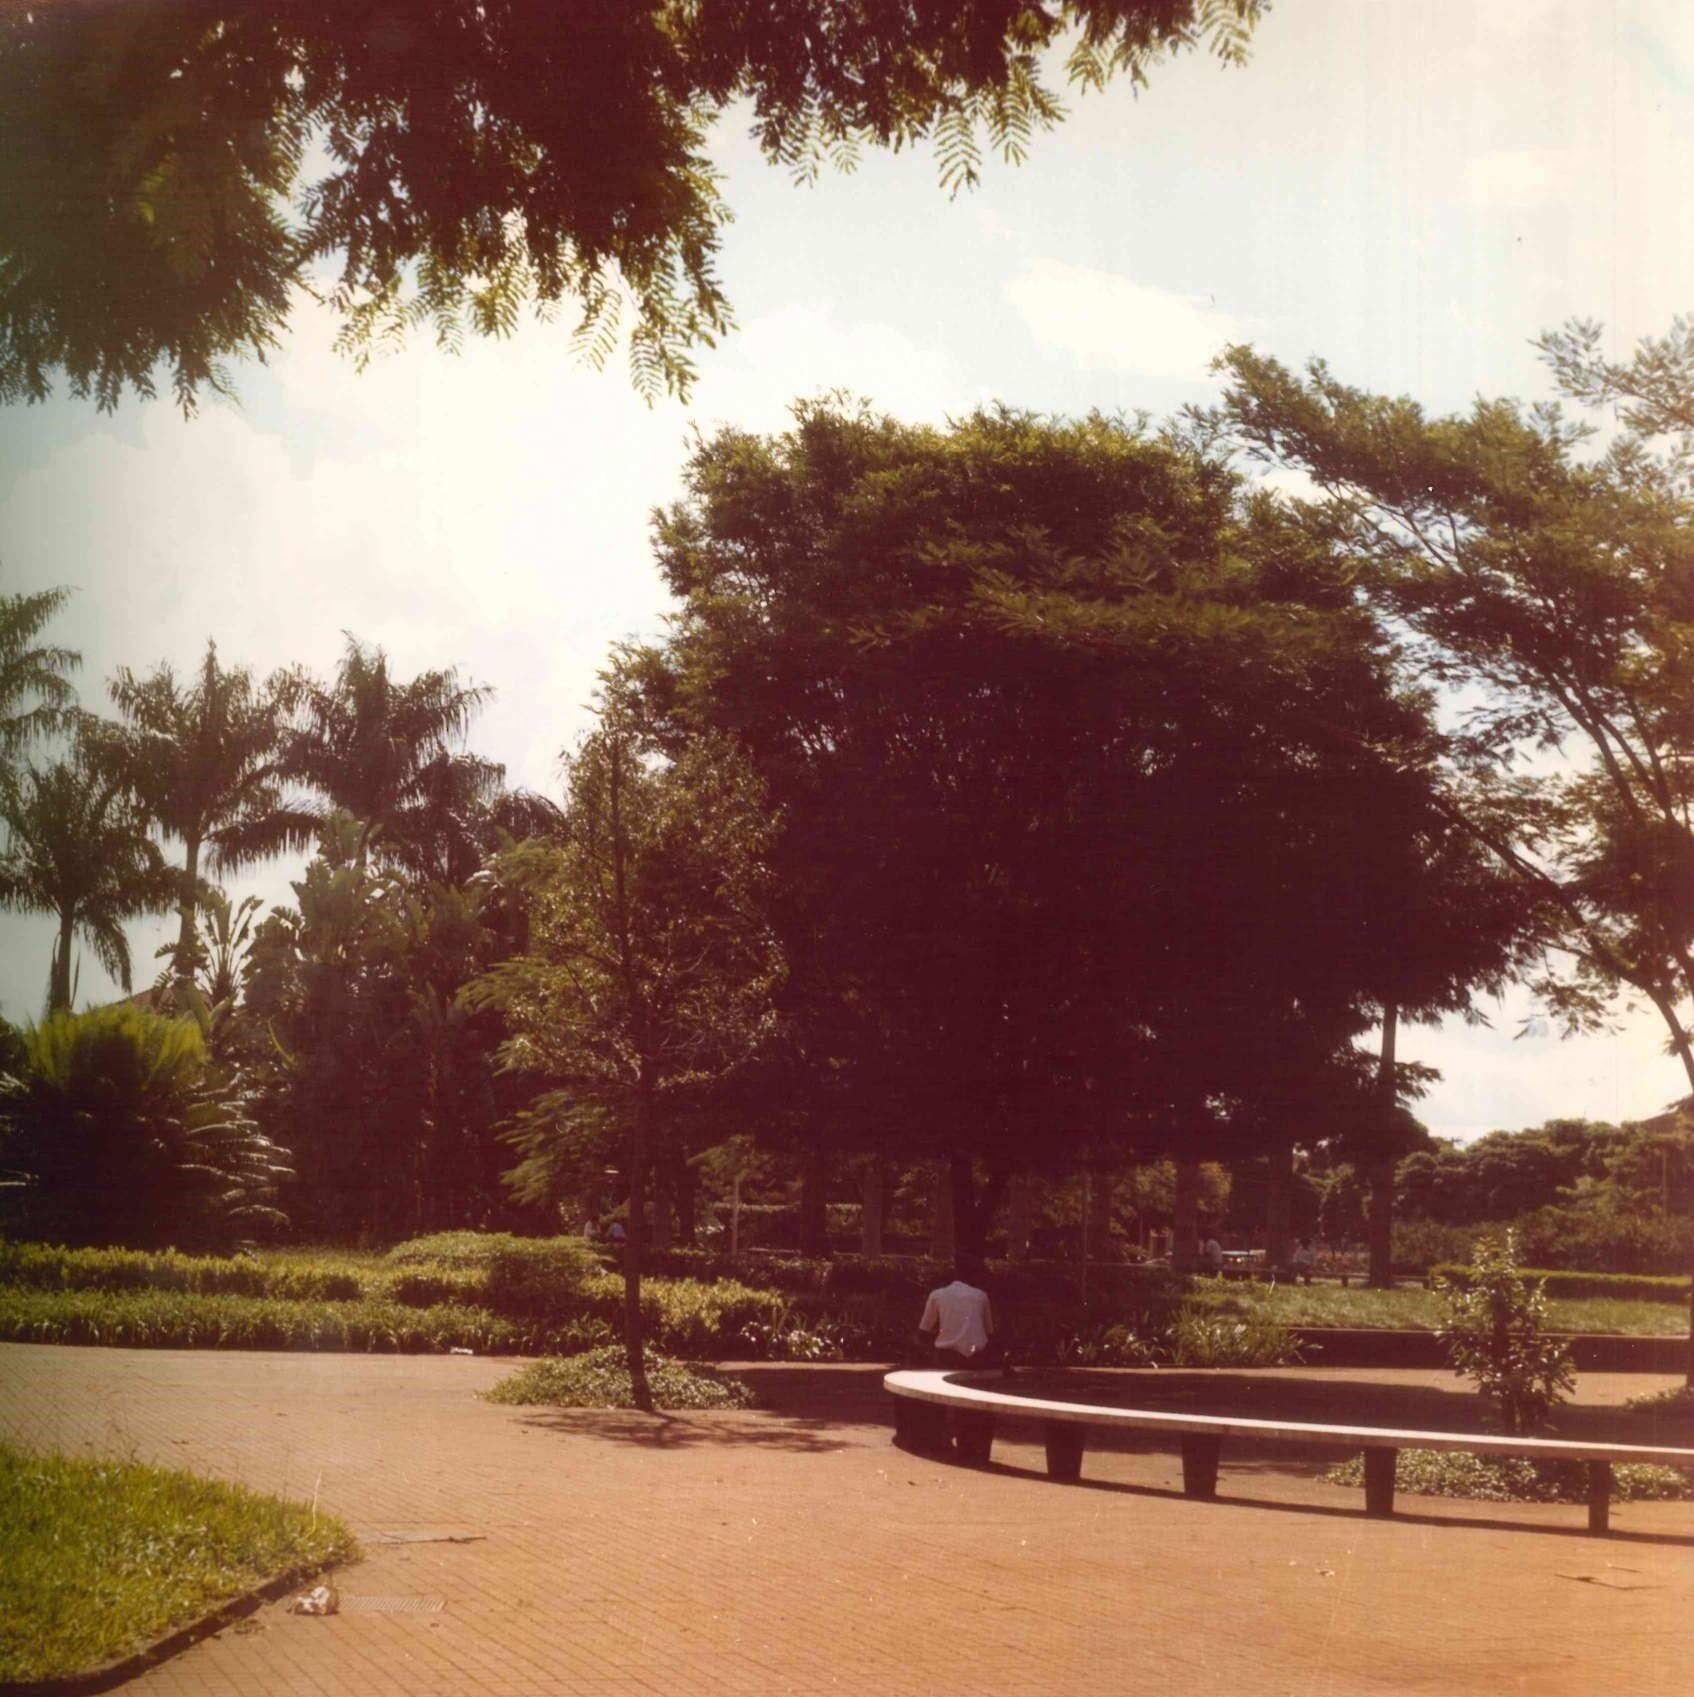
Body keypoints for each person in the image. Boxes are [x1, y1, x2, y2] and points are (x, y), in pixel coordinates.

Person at [915, 1258, 997, 1367]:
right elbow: (989, 1331)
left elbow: (924, 1330)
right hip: (977, 1356)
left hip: (947, 1356)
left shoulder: (936, 1295)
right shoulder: (981, 1295)